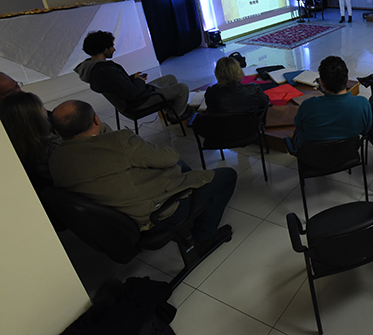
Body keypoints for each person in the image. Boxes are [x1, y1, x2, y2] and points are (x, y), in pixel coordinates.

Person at [49, 100, 236, 245]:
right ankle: (204, 238)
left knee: (181, 167)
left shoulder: (55, 159)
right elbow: (168, 158)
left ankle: (192, 217)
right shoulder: (119, 141)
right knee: (226, 176)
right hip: (152, 216)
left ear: (57, 132)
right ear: (96, 119)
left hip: (116, 222)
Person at [75, 30, 192, 123]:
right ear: (104, 49)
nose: (114, 49)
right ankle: (174, 117)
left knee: (169, 78)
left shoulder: (94, 68)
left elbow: (118, 85)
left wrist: (132, 78)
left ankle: (172, 110)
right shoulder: (105, 71)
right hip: (138, 102)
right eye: (111, 46)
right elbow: (132, 93)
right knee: (182, 88)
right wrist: (140, 81)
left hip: (134, 97)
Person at [293, 56, 371, 148]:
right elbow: (366, 130)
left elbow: (298, 124)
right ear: (347, 78)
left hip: (314, 157)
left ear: (321, 82)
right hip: (348, 154)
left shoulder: (307, 106)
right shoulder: (362, 104)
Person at [0, 91, 60, 179]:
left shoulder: (10, 151)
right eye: (42, 108)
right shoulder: (56, 146)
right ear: (37, 117)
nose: (46, 110)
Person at [204, 57, 269, 116]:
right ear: (239, 71)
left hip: (221, 128)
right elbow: (265, 103)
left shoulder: (211, 92)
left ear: (217, 73)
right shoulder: (254, 90)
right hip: (249, 127)